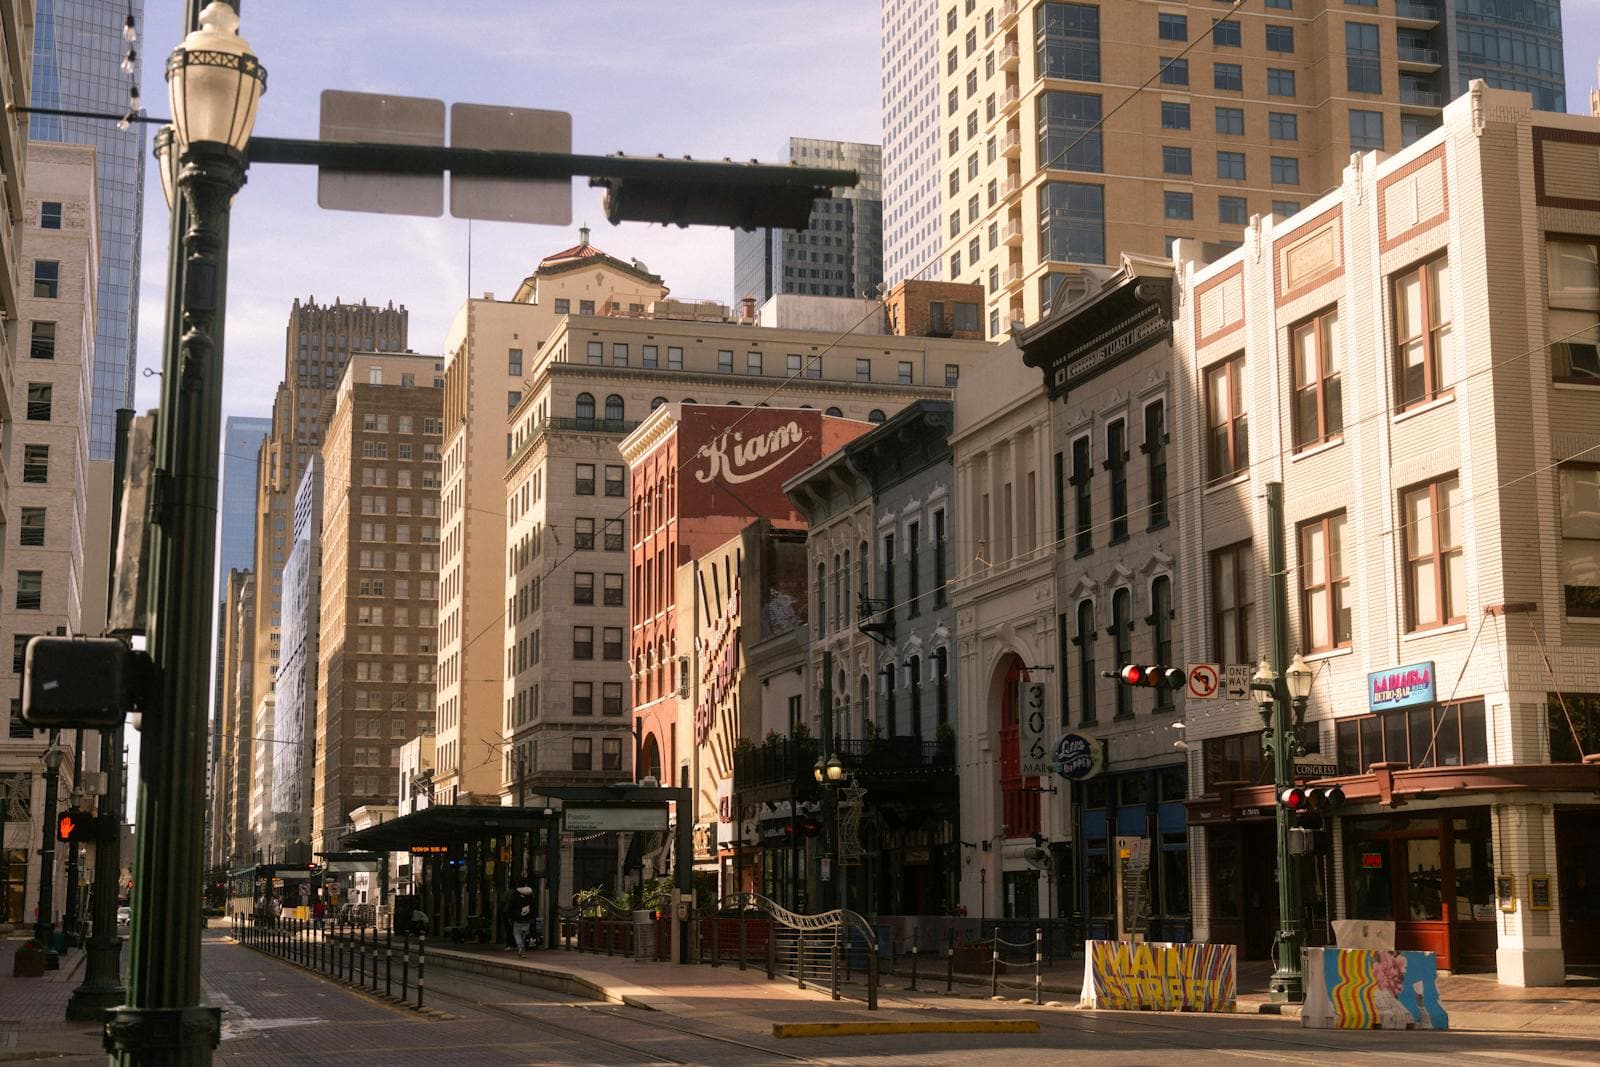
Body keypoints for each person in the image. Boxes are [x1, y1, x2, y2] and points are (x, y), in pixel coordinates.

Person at [511, 885, 535, 956]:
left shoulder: (516, 896)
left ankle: (520, 946)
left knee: (516, 934)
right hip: (527, 921)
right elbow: (533, 909)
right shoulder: (530, 898)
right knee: (524, 935)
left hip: (518, 920)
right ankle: (523, 949)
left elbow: (511, 908)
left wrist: (512, 917)